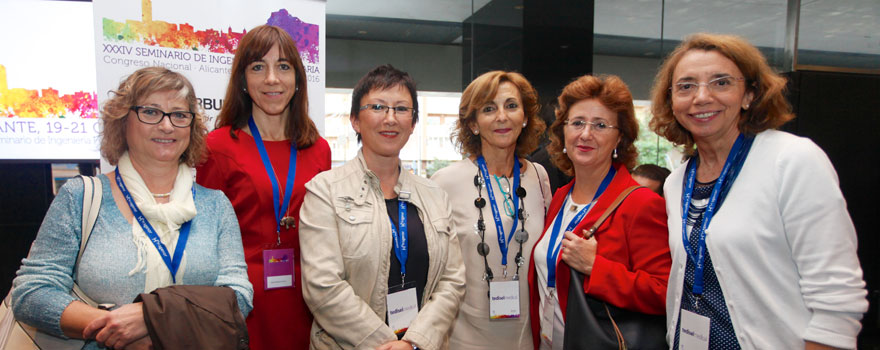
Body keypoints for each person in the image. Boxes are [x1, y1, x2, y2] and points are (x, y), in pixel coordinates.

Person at [650, 33, 868, 349]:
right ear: (671, 100)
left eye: (720, 82)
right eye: (686, 86)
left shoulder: (792, 160)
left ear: (750, 94)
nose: (701, 97)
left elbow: (837, 293)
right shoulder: (678, 181)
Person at [11, 66, 253, 350]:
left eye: (179, 114)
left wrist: (150, 319)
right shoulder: (81, 197)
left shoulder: (215, 205)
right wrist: (116, 327)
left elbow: (238, 296)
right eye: (150, 112)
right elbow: (32, 293)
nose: (166, 125)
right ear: (122, 121)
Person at [299, 64, 465, 350]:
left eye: (402, 109)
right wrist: (388, 344)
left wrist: (414, 342)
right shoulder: (324, 191)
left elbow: (452, 280)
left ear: (413, 124)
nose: (390, 119)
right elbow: (322, 286)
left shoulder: (435, 194)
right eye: (377, 107)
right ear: (354, 120)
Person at [196, 25, 331, 350]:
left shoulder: (319, 149)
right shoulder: (216, 147)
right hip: (243, 300)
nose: (272, 78)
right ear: (243, 80)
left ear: (298, 79)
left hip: (308, 296)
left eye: (283, 66)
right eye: (258, 67)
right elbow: (204, 239)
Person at [528, 75, 671, 349]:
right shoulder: (559, 197)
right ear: (563, 131)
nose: (585, 134)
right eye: (577, 123)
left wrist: (597, 268)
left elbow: (664, 293)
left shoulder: (640, 203)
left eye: (600, 125)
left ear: (620, 137)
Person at [431, 71, 551, 350]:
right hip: (464, 337)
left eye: (511, 106)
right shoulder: (445, 182)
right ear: (473, 123)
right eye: (489, 109)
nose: (501, 117)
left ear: (524, 117)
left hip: (528, 337)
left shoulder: (539, 176)